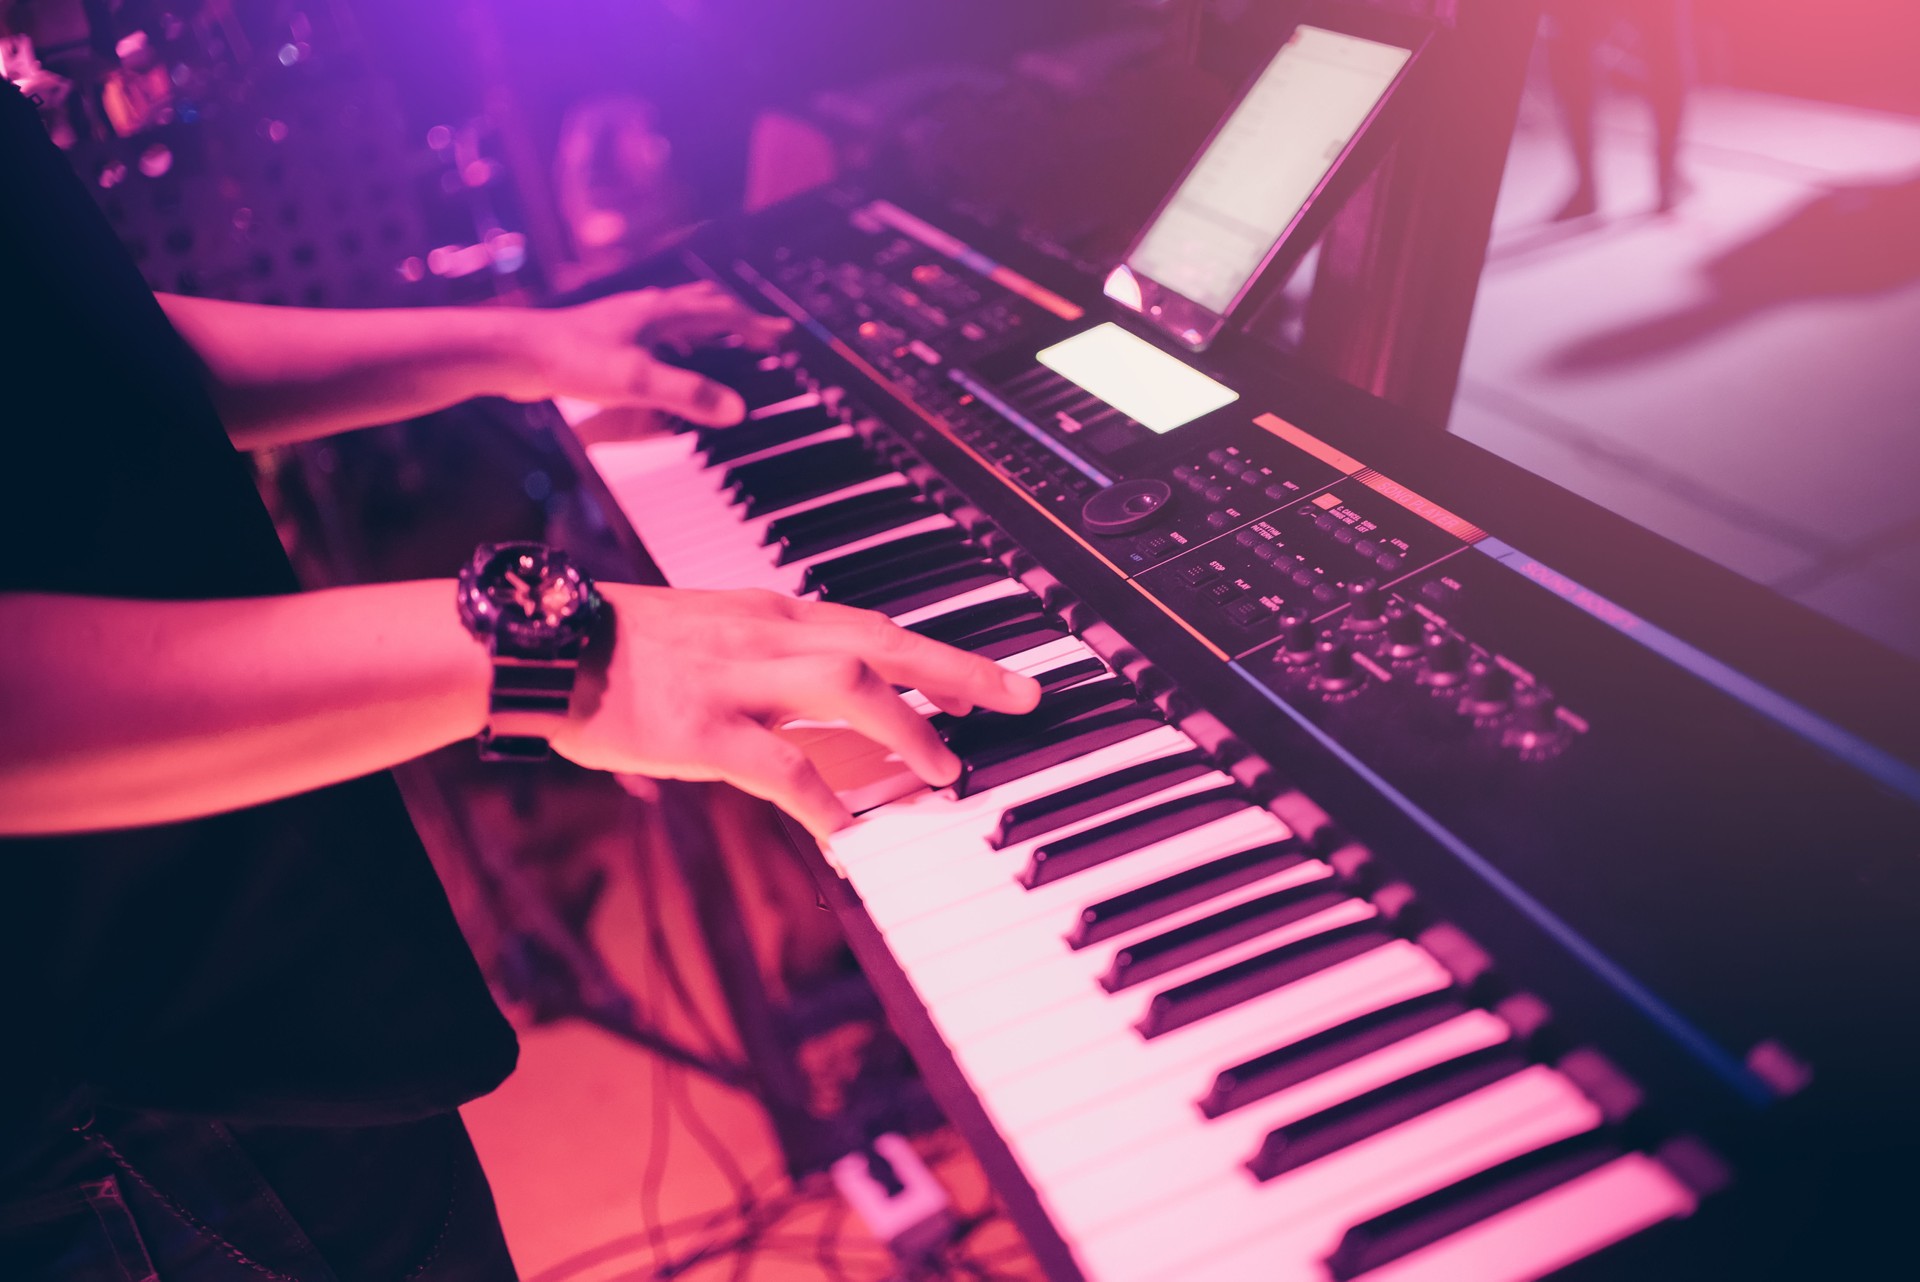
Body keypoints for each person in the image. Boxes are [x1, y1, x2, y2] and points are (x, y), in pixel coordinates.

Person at [0, 78, 1040, 1280]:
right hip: (112, 1074)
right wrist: (545, 651)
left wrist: (511, 343)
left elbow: (69, 358)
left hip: (216, 933)